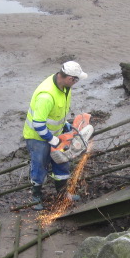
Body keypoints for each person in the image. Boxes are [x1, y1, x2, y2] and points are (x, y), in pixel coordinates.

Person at [23, 61, 88, 210]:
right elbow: (38, 124)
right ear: (70, 78)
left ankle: (62, 193)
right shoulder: (46, 95)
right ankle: (36, 196)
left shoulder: (65, 87)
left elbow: (57, 112)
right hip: (37, 138)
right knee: (39, 166)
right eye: (76, 80)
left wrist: (64, 124)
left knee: (62, 162)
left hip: (56, 134)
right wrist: (53, 140)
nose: (76, 83)